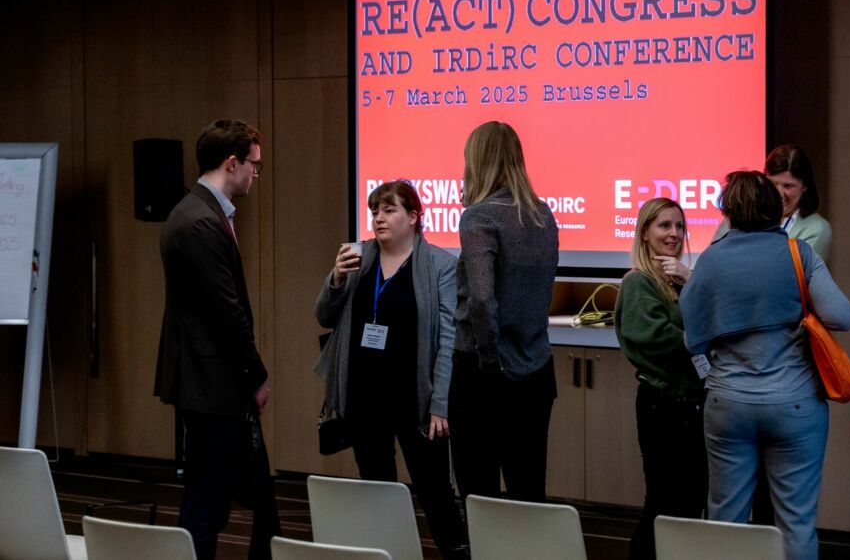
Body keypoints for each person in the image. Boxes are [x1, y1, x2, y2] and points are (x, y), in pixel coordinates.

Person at [680, 170, 850, 560]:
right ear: (775, 208)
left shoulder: (710, 260)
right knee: (796, 520)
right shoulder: (798, 253)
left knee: (726, 518)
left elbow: (693, 338)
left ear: (729, 210)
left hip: (728, 404)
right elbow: (841, 316)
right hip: (794, 404)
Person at [313, 180, 467, 560]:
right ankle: (386, 553)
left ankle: (458, 552)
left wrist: (441, 404)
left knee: (435, 492)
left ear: (413, 217)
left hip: (416, 399)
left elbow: (447, 339)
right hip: (365, 396)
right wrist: (335, 279)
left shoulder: (440, 266)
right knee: (376, 488)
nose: (379, 218)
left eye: (389, 210)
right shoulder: (357, 257)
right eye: (375, 211)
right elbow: (324, 315)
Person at [154, 119, 280, 560]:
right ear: (232, 163)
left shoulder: (198, 213)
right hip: (212, 385)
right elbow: (226, 314)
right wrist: (257, 376)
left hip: (209, 381)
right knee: (207, 505)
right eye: (254, 165)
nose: (255, 174)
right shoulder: (200, 222)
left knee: (219, 498)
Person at [448, 121, 559, 503]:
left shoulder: (479, 216)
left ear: (476, 161)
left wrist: (489, 357)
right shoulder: (544, 215)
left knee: (480, 499)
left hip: (484, 377)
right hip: (537, 370)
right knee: (529, 493)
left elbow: (481, 299)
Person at [614, 197, 706, 560]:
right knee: (664, 503)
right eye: (664, 226)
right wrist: (698, 339)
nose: (674, 234)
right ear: (644, 233)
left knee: (692, 501)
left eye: (679, 226)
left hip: (694, 407)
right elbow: (656, 338)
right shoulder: (639, 283)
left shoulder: (680, 281)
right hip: (663, 407)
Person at [712, 144, 832, 262]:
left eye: (788, 186)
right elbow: (713, 260)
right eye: (772, 184)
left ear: (805, 186)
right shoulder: (741, 214)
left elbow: (796, 276)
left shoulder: (816, 229)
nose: (778, 193)